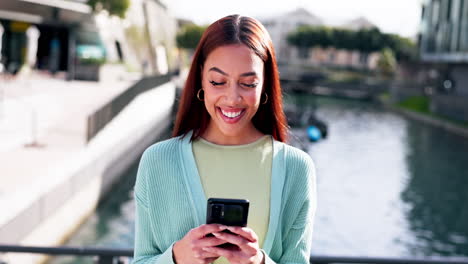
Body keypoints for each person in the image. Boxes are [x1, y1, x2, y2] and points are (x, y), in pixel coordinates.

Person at [133, 14, 317, 264]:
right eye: (218, 81)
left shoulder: (297, 168)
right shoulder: (157, 161)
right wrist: (176, 258)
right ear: (201, 79)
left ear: (264, 85)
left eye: (248, 83)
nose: (232, 98)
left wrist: (259, 262)